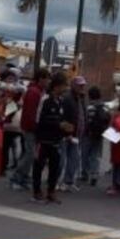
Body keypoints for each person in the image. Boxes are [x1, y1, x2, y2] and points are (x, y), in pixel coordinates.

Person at [33, 72, 73, 204]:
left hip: (56, 140)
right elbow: (40, 119)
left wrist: (66, 128)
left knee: (55, 167)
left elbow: (61, 119)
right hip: (43, 139)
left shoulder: (60, 101)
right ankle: (37, 191)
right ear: (56, 86)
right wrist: (58, 123)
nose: (65, 89)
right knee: (39, 166)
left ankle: (51, 192)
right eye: (63, 86)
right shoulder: (45, 99)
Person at [10, 68, 49, 191]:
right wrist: (35, 127)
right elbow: (32, 113)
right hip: (30, 128)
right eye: (47, 78)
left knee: (29, 153)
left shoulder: (36, 91)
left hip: (31, 127)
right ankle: (17, 177)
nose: (48, 81)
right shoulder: (34, 92)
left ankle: (23, 177)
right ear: (41, 79)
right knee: (30, 154)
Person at [60, 75, 88, 192]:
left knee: (74, 159)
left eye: (83, 85)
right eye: (79, 85)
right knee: (61, 160)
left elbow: (82, 116)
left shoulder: (80, 98)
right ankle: (58, 181)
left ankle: (69, 181)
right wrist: (66, 132)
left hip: (76, 134)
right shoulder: (67, 98)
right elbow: (63, 115)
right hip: (66, 134)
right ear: (73, 85)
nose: (81, 87)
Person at [82, 86, 110, 186]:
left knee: (85, 154)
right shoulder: (105, 107)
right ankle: (94, 174)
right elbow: (107, 121)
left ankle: (84, 173)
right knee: (96, 155)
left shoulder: (89, 107)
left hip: (89, 134)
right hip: (100, 135)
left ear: (90, 96)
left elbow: (86, 121)